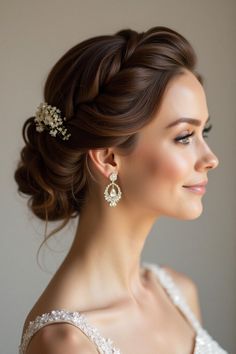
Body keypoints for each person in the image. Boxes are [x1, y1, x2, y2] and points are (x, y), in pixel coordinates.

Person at [15, 26, 228, 353]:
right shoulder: (65, 343)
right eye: (185, 136)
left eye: (205, 132)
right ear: (109, 158)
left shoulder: (179, 294)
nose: (211, 159)